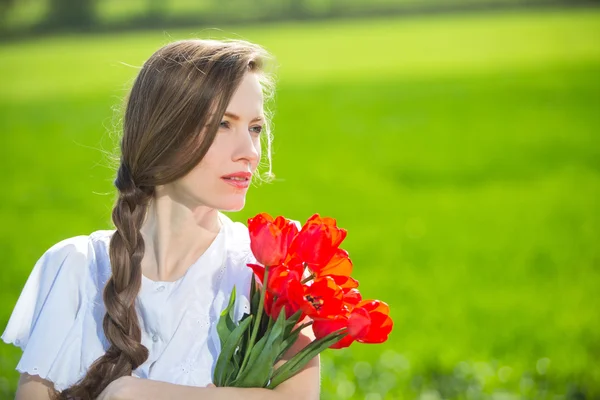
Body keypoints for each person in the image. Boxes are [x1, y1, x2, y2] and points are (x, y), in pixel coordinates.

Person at [2, 39, 320, 400]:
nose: (249, 152)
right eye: (222, 125)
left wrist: (140, 393)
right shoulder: (75, 267)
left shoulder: (267, 274)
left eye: (255, 128)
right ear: (163, 132)